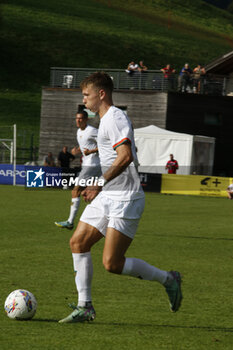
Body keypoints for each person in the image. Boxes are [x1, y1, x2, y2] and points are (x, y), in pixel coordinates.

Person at [59, 72, 182, 324]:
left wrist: (99, 184)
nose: (84, 101)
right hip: (110, 195)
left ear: (101, 94)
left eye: (86, 95)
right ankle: (85, 307)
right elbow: (125, 152)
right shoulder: (105, 121)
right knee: (78, 243)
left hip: (126, 198)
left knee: (112, 264)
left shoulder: (114, 118)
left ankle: (168, 279)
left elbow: (125, 156)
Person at [55, 110, 101, 229]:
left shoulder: (92, 131)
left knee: (75, 190)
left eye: (80, 118)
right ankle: (104, 219)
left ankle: (70, 222)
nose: (78, 120)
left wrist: (90, 152)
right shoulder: (79, 131)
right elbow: (86, 147)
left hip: (92, 164)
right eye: (76, 118)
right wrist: (78, 152)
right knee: (92, 192)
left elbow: (106, 144)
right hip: (88, 164)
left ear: (86, 119)